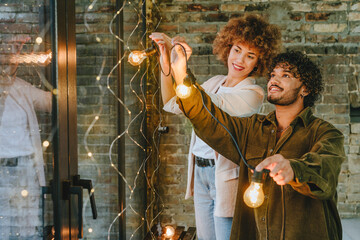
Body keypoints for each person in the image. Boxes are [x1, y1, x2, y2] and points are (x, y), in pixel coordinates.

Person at [170, 49, 345, 240]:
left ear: (305, 88)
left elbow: (325, 172)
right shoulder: (252, 129)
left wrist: (293, 168)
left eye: (285, 75)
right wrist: (180, 73)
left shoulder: (326, 133)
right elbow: (209, 120)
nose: (274, 80)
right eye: (272, 75)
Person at [150, 14, 281, 240]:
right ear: (228, 48)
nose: (240, 59)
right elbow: (172, 103)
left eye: (250, 56)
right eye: (237, 50)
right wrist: (166, 62)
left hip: (226, 176)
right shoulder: (214, 82)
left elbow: (206, 107)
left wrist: (181, 67)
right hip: (200, 172)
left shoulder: (253, 94)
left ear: (258, 63)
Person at [0, 40, 52, 238]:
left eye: (14, 58)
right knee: (2, 224)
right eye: (6, 58)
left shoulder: (23, 88)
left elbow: (53, 103)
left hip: (24, 166)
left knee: (27, 225)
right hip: (1, 169)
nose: (10, 63)